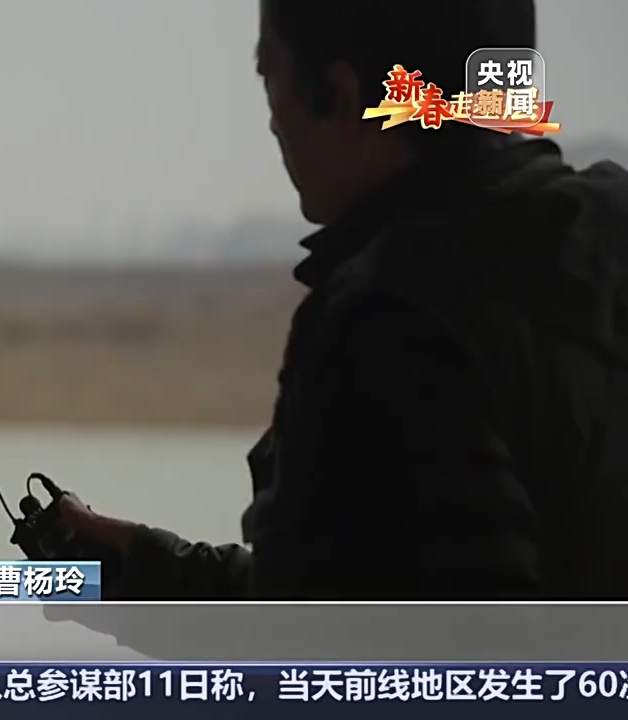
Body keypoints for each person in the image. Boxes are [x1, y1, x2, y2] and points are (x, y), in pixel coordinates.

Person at [55, 0, 628, 601]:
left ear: (340, 93)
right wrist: (155, 574)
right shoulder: (604, 232)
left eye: (269, 75)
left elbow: (384, 645)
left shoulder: (388, 324)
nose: (273, 121)